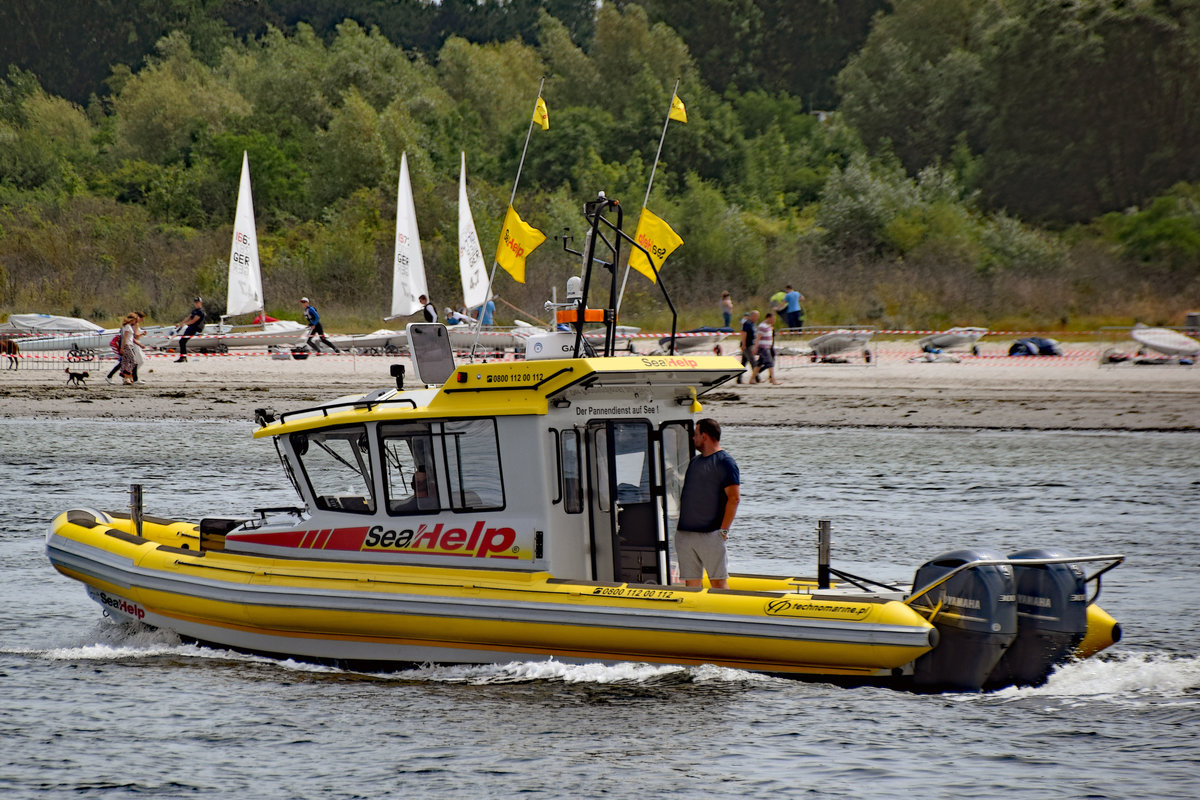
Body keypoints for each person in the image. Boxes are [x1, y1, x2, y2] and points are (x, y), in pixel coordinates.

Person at [675, 418, 740, 589]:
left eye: (695, 434)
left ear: (704, 436)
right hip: (685, 534)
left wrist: (723, 531)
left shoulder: (725, 462)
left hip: (711, 534)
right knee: (691, 583)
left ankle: (725, 614)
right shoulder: (695, 462)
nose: (693, 438)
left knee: (718, 582)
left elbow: (734, 498)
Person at [751, 311, 781, 385]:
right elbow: (758, 337)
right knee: (770, 363)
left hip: (767, 347)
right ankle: (773, 380)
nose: (774, 321)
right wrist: (755, 347)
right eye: (773, 319)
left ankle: (752, 379)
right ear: (768, 318)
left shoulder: (769, 326)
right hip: (763, 347)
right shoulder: (762, 326)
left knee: (759, 364)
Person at [174, 297, 205, 362]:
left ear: (200, 303)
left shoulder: (200, 311)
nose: (196, 304)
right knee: (182, 341)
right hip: (190, 327)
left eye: (197, 302)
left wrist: (185, 324)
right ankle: (183, 357)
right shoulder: (194, 311)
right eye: (195, 302)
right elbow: (188, 317)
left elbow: (194, 321)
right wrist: (180, 323)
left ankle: (183, 357)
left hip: (195, 328)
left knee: (182, 341)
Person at [738, 309, 759, 384]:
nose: (757, 318)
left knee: (743, 363)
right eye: (756, 316)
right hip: (747, 345)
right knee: (753, 361)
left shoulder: (753, 324)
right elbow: (744, 334)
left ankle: (739, 378)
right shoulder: (747, 323)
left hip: (751, 344)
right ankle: (756, 378)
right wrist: (743, 344)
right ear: (752, 316)